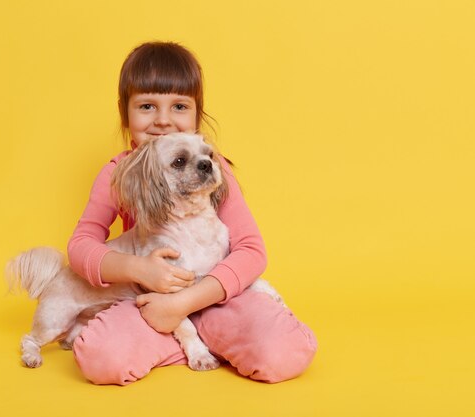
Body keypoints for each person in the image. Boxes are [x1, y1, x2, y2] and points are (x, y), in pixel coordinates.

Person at [67, 41, 317, 385]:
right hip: (150, 305)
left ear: (198, 113)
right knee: (101, 360)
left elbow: (251, 251)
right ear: (125, 111)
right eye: (147, 106)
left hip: (213, 298)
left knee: (282, 353)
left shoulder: (211, 168)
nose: (164, 120)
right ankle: (193, 344)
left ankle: (200, 338)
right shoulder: (118, 173)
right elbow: (81, 246)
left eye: (179, 106)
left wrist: (184, 303)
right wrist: (138, 268)